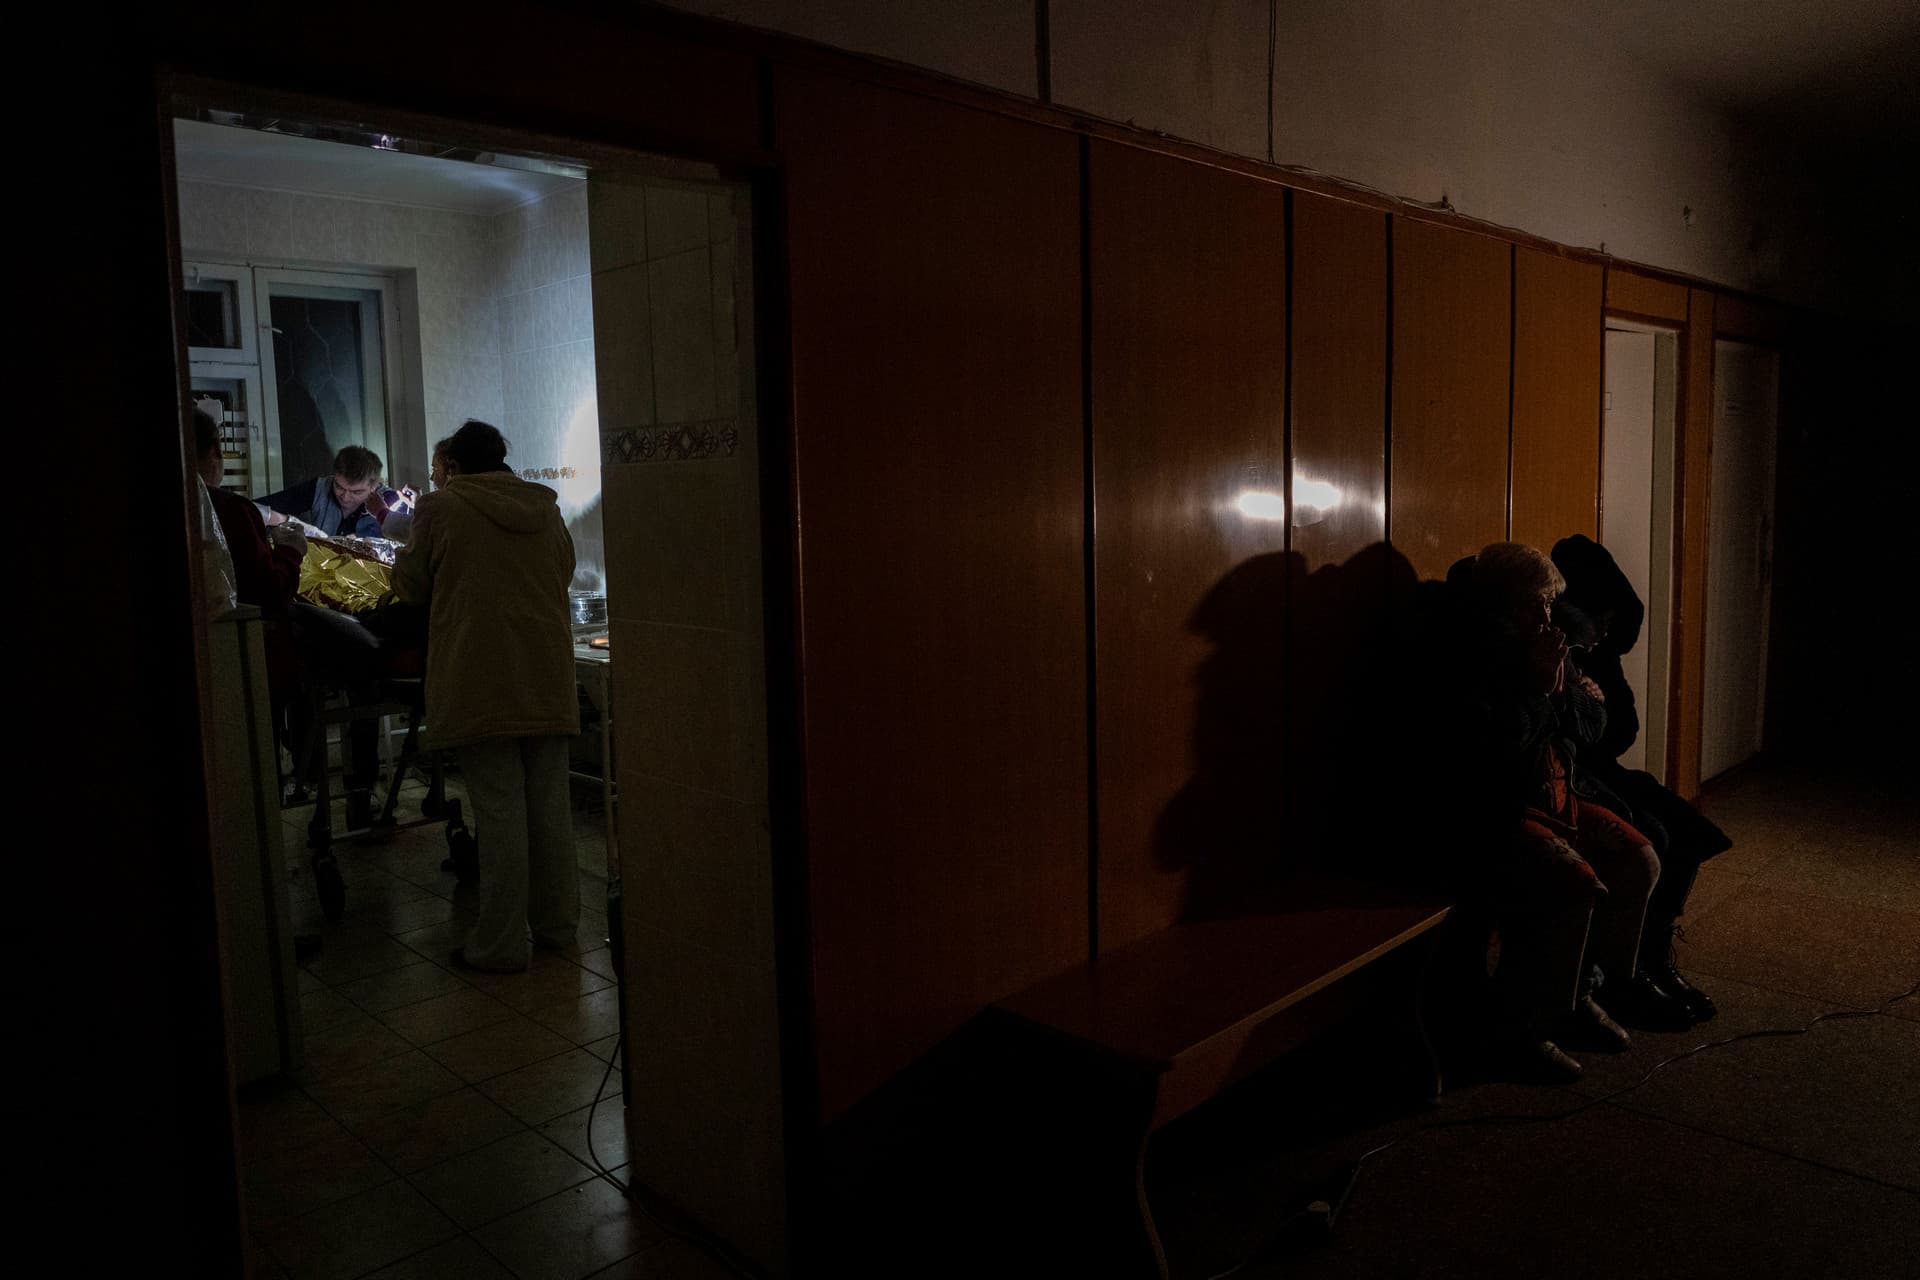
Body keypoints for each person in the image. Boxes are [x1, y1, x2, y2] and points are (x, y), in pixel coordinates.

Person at [1448, 543, 1684, 1083]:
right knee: (1575, 883)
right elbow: (1492, 749)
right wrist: (1538, 692)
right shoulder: (1470, 656)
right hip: (1497, 809)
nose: (1547, 618)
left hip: (1557, 795)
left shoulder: (1547, 646)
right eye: (1536, 605)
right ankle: (1523, 1028)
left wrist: (1555, 692)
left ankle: (1581, 994)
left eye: (1550, 606)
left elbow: (1593, 722)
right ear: (1503, 604)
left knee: (1641, 858)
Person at [390, 420, 579, 972]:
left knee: (499, 816)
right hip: (545, 676)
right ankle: (556, 927)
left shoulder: (442, 509)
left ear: (455, 465)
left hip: (482, 679)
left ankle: (498, 945)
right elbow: (562, 573)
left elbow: (410, 586)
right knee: (550, 812)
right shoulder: (545, 510)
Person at [1552, 534, 1731, 1021]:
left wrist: (1600, 697)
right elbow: (1579, 738)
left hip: (1601, 768)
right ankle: (1620, 973)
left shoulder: (1600, 653)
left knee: (1690, 830)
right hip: (1570, 778)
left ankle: (1652, 955)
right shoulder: (1559, 648)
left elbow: (1620, 731)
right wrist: (1589, 703)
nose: (1607, 632)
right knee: (1653, 834)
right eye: (1602, 621)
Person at [258, 445, 386, 539]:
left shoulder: (391, 503)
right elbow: (256, 508)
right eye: (339, 487)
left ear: (373, 487)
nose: (345, 497)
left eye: (356, 492)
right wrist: (279, 518)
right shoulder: (320, 488)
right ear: (333, 476)